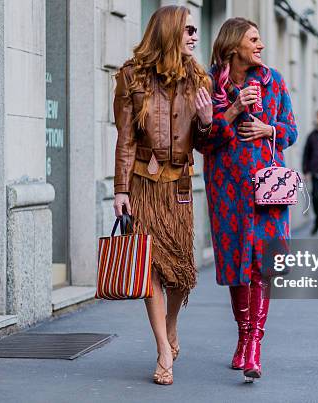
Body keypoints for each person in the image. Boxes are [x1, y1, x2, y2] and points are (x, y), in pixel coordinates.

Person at [112, 5, 213, 385]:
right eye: (187, 30)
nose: (193, 36)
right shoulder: (132, 76)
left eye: (194, 31)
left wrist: (206, 122)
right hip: (142, 183)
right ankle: (162, 350)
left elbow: (205, 143)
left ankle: (171, 322)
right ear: (169, 32)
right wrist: (120, 189)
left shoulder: (199, 81)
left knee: (181, 273)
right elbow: (124, 138)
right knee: (149, 267)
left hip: (181, 186)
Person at [195, 17, 297, 381]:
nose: (261, 45)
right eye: (254, 39)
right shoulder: (208, 86)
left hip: (267, 190)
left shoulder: (273, 82)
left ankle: (254, 345)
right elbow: (202, 142)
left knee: (261, 266)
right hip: (227, 192)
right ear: (234, 44)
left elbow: (291, 130)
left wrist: (268, 128)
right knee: (239, 267)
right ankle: (241, 339)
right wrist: (234, 109)